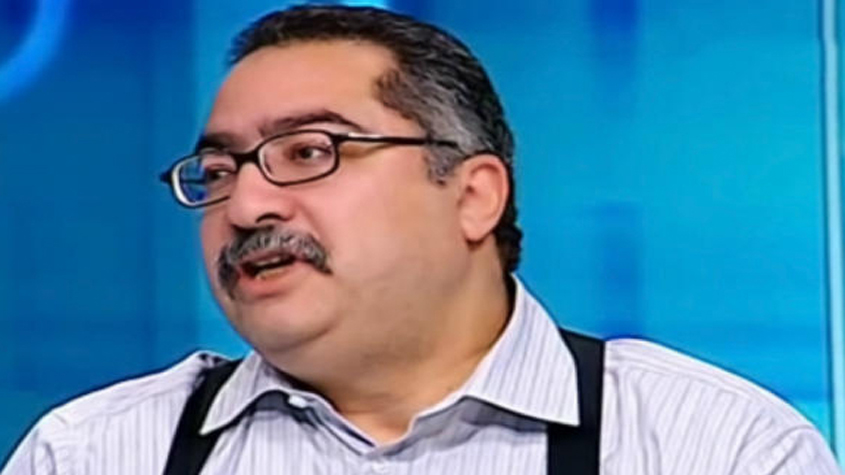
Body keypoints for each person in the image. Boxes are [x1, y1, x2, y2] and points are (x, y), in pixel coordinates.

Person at [2, 5, 841, 475]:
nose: (248, 203)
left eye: (309, 152)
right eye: (218, 170)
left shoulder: (711, 446)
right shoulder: (93, 453)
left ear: (473, 196)